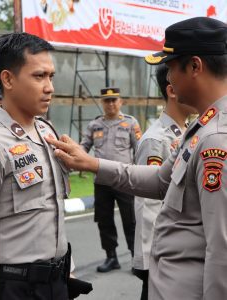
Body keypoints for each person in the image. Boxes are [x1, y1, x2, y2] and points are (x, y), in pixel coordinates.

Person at [46, 17, 227, 299]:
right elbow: (162, 179)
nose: (168, 78)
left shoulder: (216, 138)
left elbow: (222, 252)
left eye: (170, 68)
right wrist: (90, 163)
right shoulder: (203, 126)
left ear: (194, 66)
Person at [0, 32, 82, 300]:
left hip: (56, 282)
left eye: (51, 76)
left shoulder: (45, 130)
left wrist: (67, 269)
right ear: (8, 79)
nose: (49, 86)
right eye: (39, 76)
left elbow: (53, 206)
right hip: (16, 287)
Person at [133, 64, 195, 300]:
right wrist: (148, 259)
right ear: (172, 90)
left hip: (177, 249)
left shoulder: (187, 131)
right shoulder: (156, 139)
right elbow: (148, 202)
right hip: (160, 256)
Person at [81, 87, 141, 272]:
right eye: (107, 101)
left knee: (130, 221)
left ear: (120, 102)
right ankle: (111, 257)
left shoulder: (130, 123)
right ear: (102, 103)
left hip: (124, 180)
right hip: (102, 182)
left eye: (114, 100)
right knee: (104, 221)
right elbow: (84, 147)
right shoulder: (94, 125)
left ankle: (135, 258)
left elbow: (139, 149)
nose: (111, 104)